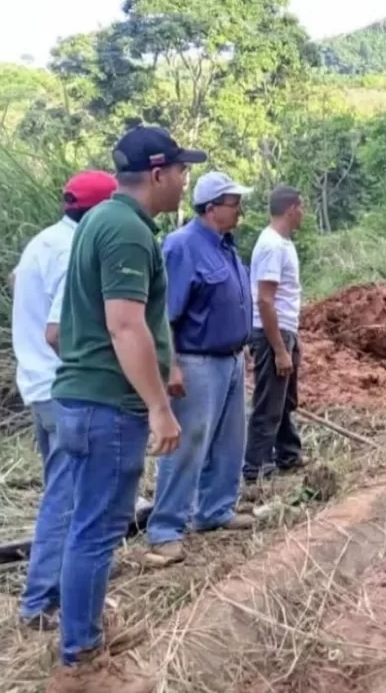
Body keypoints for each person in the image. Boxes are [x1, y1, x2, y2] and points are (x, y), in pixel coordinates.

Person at [47, 125, 202, 693]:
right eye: (182, 170)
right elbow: (124, 324)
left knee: (90, 522)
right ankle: (81, 661)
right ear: (158, 174)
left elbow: (63, 328)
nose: (186, 180)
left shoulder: (100, 222)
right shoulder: (127, 234)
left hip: (90, 397)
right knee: (96, 528)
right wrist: (158, 406)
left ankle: (83, 634)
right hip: (107, 406)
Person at [12, 170, 118, 631]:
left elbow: (18, 283)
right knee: (69, 497)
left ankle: (47, 593)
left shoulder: (44, 241)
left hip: (36, 384)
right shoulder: (75, 250)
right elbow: (59, 332)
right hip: (63, 389)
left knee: (61, 492)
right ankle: (42, 602)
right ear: (97, 213)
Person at [145, 172, 256, 568]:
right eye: (233, 203)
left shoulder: (226, 246)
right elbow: (163, 315)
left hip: (230, 358)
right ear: (212, 208)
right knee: (189, 444)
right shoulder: (182, 247)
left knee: (229, 442)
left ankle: (216, 511)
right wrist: (171, 365)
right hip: (196, 361)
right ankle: (165, 530)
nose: (240, 209)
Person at [242, 185, 306, 482]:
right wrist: (279, 348)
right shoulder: (271, 245)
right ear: (291, 208)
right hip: (273, 332)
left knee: (284, 400)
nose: (303, 213)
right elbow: (265, 300)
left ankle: (287, 454)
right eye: (301, 207)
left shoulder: (283, 243)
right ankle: (255, 468)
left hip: (285, 329)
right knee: (269, 403)